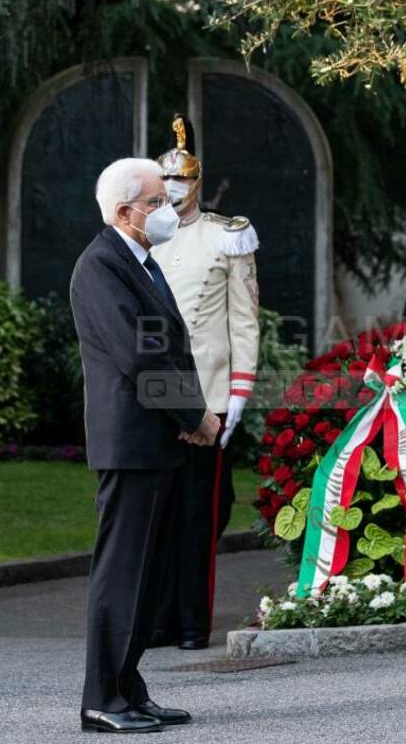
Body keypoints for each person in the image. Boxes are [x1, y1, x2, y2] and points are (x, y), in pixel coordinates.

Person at [70, 157, 220, 733]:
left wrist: (188, 414)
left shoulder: (140, 261)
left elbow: (168, 347)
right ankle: (101, 699)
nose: (167, 209)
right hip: (130, 442)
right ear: (123, 212)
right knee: (122, 573)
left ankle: (129, 688)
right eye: (156, 202)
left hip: (157, 437)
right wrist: (195, 414)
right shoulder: (102, 265)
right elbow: (138, 357)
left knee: (147, 576)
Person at [149, 115, 261, 650]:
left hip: (209, 390)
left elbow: (244, 321)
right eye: (166, 182)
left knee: (200, 512)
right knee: (158, 512)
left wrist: (239, 393)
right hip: (158, 391)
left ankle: (192, 623)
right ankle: (158, 618)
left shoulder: (227, 236)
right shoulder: (144, 236)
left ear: (199, 183)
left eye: (183, 182)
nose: (174, 192)